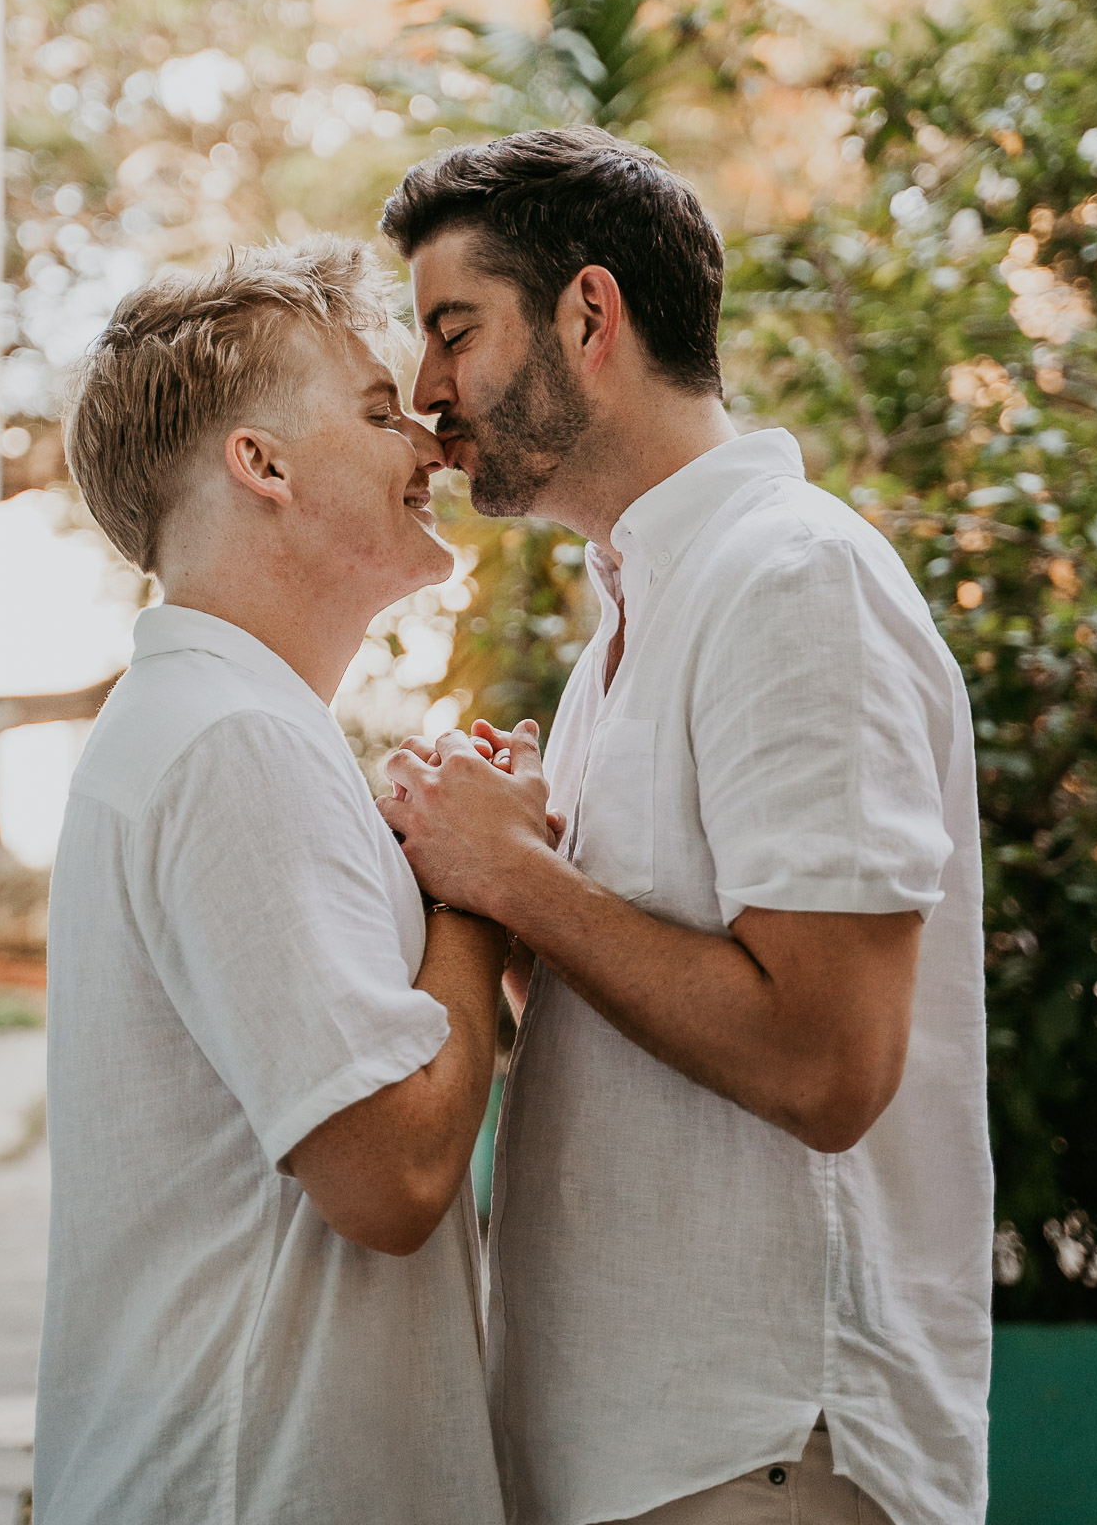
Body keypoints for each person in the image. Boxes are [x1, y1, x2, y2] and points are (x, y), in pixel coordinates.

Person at [376, 127, 993, 1525]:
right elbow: (656, 1006)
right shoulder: (641, 615)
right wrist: (491, 891)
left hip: (762, 1447)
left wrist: (517, 880)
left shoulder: (791, 580)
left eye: (452, 330)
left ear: (590, 313)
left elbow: (829, 1062)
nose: (426, 395)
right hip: (651, 1444)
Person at [33, 238, 508, 1525]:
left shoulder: (217, 724)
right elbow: (392, 1180)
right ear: (263, 465)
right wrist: (473, 893)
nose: (423, 439)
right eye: (373, 410)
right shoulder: (230, 741)